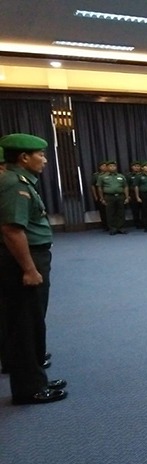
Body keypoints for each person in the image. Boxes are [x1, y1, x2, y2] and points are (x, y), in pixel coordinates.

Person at [0, 133, 67, 404]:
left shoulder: (20, 180)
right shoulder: (14, 183)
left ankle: (36, 376)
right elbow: (12, 230)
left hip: (29, 255)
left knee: (30, 320)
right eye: (40, 155)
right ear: (24, 157)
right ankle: (29, 388)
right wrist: (29, 269)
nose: (45, 160)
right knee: (26, 324)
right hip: (24, 259)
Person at [97, 160, 129, 235]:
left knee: (121, 212)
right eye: (110, 166)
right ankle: (113, 228)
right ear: (107, 167)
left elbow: (125, 186)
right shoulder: (102, 177)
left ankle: (121, 227)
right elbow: (99, 188)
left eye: (114, 166)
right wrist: (102, 198)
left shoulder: (121, 176)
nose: (112, 167)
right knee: (110, 213)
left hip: (120, 196)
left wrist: (127, 197)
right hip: (109, 197)